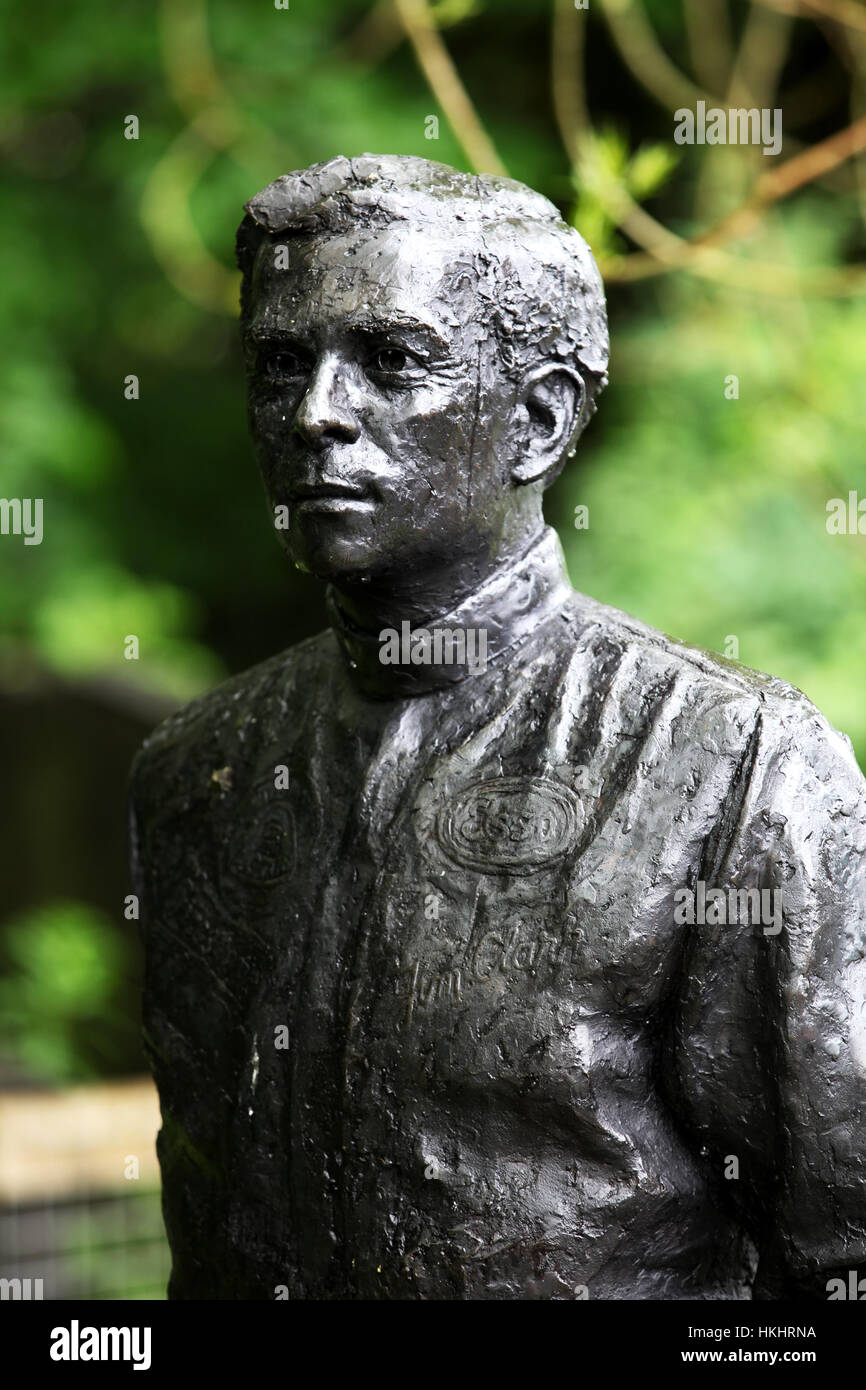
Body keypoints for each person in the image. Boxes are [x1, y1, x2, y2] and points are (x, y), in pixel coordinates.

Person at [130, 154, 866, 1300]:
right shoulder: (194, 775)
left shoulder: (732, 769)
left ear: (536, 419)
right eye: (282, 364)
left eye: (390, 361)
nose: (316, 414)